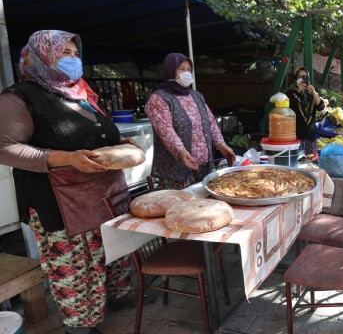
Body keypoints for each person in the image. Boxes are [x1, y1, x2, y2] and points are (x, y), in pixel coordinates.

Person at [0, 30, 141, 334]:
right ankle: (80, 325)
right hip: (59, 199)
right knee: (76, 263)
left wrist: (123, 141)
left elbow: (96, 134)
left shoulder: (80, 92)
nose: (73, 59)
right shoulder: (21, 96)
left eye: (76, 53)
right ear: (42, 56)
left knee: (112, 247)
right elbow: (6, 148)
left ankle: (118, 297)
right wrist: (67, 158)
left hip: (102, 191)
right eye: (64, 53)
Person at [145, 53, 235, 189]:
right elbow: (166, 131)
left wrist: (221, 144)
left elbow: (210, 122)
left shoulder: (196, 95)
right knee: (180, 207)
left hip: (203, 166)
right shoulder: (158, 98)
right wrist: (180, 151)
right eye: (181, 69)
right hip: (176, 170)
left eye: (189, 69)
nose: (186, 73)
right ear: (170, 70)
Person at [285, 68, 324, 155]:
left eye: (305, 77)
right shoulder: (291, 93)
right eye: (300, 77)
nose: (302, 79)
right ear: (296, 79)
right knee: (299, 162)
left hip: (310, 136)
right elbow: (289, 108)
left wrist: (313, 92)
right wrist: (298, 90)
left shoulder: (311, 93)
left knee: (311, 163)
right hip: (297, 136)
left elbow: (321, 106)